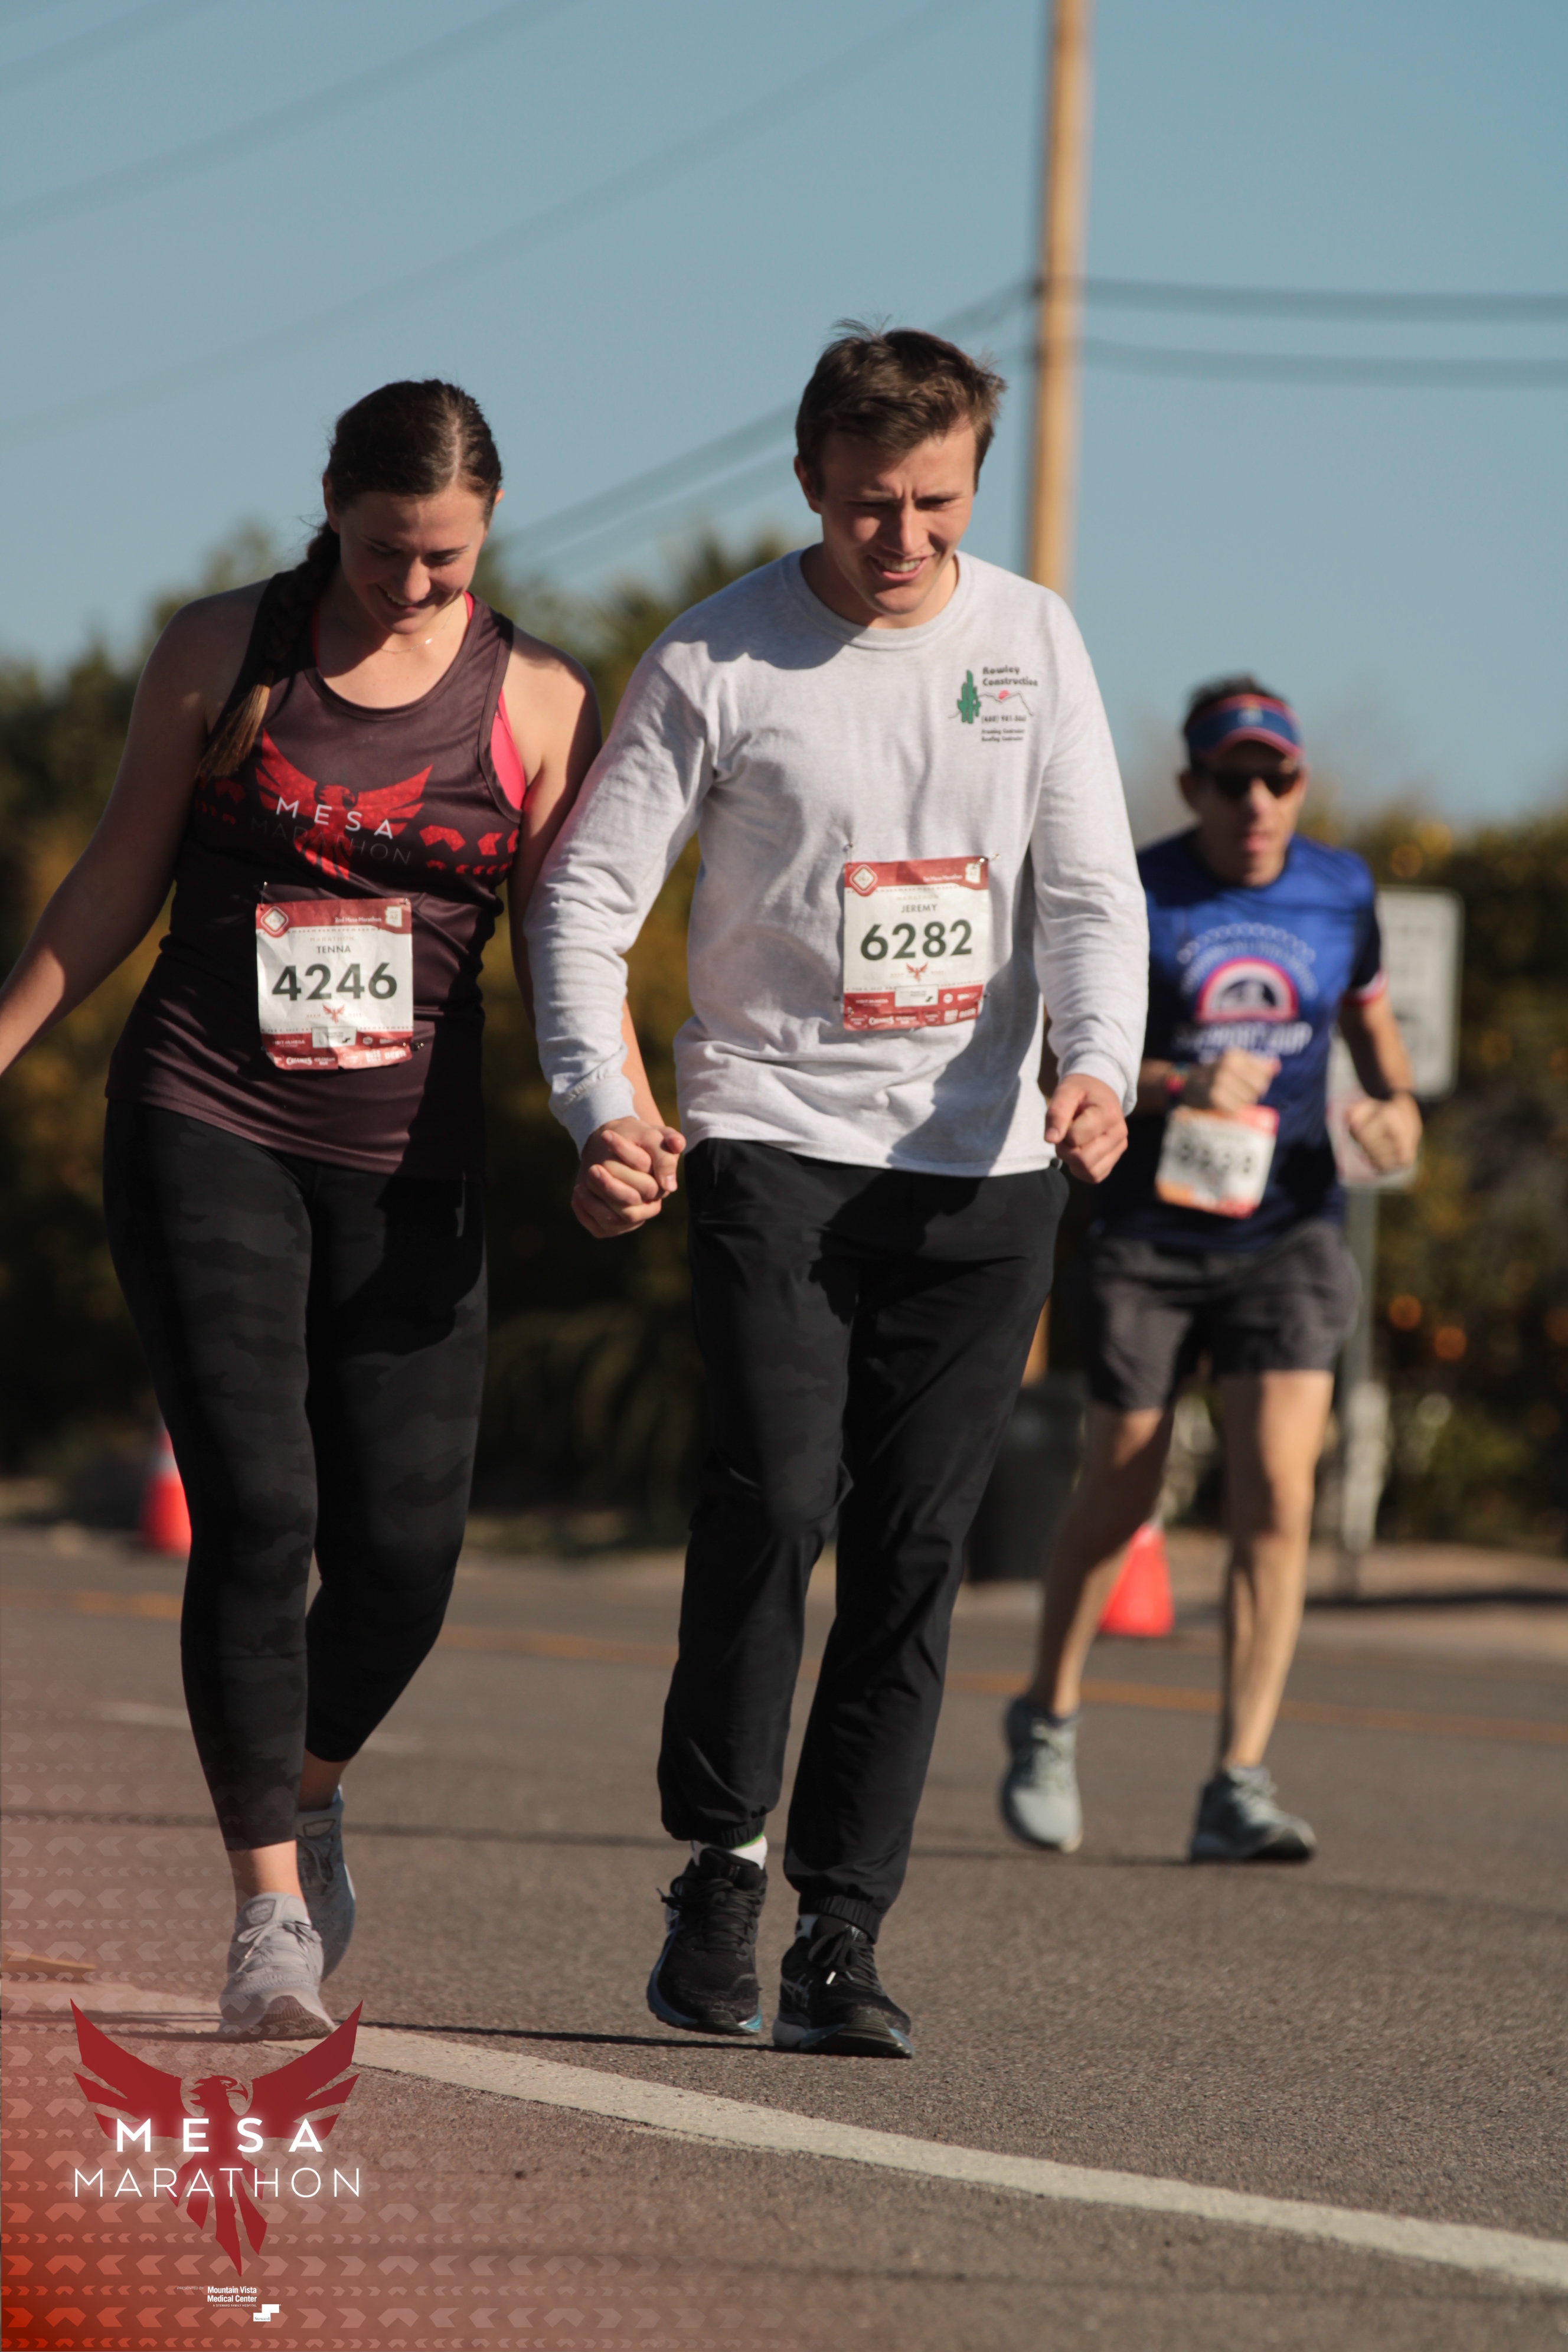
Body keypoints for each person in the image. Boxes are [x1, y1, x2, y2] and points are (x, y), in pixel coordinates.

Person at [0, 380, 672, 2040]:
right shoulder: (223, 650)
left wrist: (612, 1118)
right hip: (205, 1118)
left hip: (408, 1164)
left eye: (446, 557)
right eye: (385, 552)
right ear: (331, 507)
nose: (414, 585)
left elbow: (572, 949)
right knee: (258, 1513)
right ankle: (267, 1918)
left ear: (488, 527)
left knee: (403, 1560)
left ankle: (305, 1789)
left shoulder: (536, 701)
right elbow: (118, 872)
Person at [527, 325, 1147, 2058]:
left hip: (982, 1167)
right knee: (779, 1496)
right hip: (774, 1135)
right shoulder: (717, 656)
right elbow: (587, 902)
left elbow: (1089, 890)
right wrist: (603, 1106)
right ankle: (720, 1868)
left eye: (938, 504)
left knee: (915, 1546)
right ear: (809, 480)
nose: (906, 539)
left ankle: (842, 1930)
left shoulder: (1031, 638)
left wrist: (1098, 1062)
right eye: (872, 504)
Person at [1000, 677, 1422, 1863]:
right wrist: (1178, 1080)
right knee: (1125, 1484)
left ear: (1300, 783)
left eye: (1275, 777)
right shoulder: (1138, 889)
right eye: (1231, 780)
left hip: (1289, 1230)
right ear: (1192, 786)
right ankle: (1047, 1715)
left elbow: (1374, 1040)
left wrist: (1395, 1110)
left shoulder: (1341, 890)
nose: (1255, 800)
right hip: (1151, 1235)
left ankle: (1236, 1779)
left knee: (1276, 1494)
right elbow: (1067, 1057)